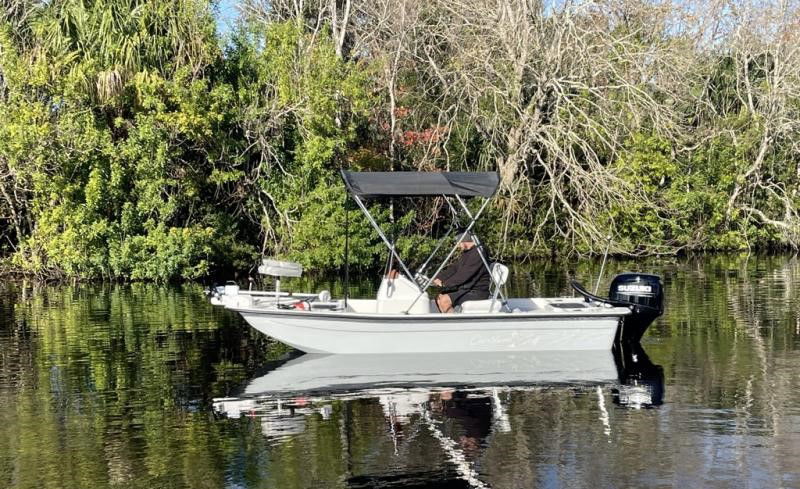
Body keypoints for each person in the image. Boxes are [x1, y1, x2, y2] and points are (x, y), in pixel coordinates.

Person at [432, 232, 491, 313]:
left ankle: (454, 324)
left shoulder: (479, 252)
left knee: (444, 300)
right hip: (467, 288)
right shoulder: (467, 252)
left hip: (477, 291)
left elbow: (465, 274)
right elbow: (454, 268)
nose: (457, 245)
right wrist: (438, 277)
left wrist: (445, 284)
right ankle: (450, 321)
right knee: (439, 297)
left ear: (464, 240)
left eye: (458, 242)